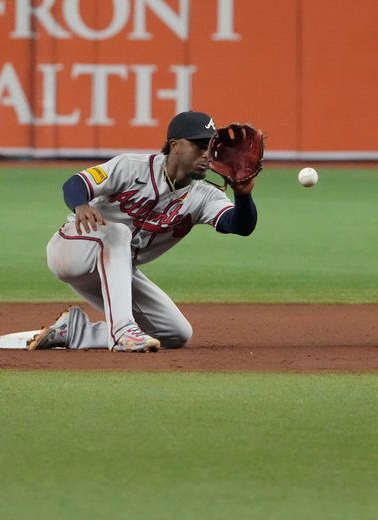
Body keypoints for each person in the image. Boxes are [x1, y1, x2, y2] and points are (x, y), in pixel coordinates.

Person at [28, 111, 259, 352]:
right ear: (175, 145)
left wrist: (243, 195)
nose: (206, 154)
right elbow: (76, 183)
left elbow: (240, 226)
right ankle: (122, 333)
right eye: (199, 145)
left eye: (210, 147)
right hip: (72, 250)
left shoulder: (205, 196)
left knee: (176, 332)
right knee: (117, 234)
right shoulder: (132, 167)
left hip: (115, 270)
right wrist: (81, 205)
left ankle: (76, 331)